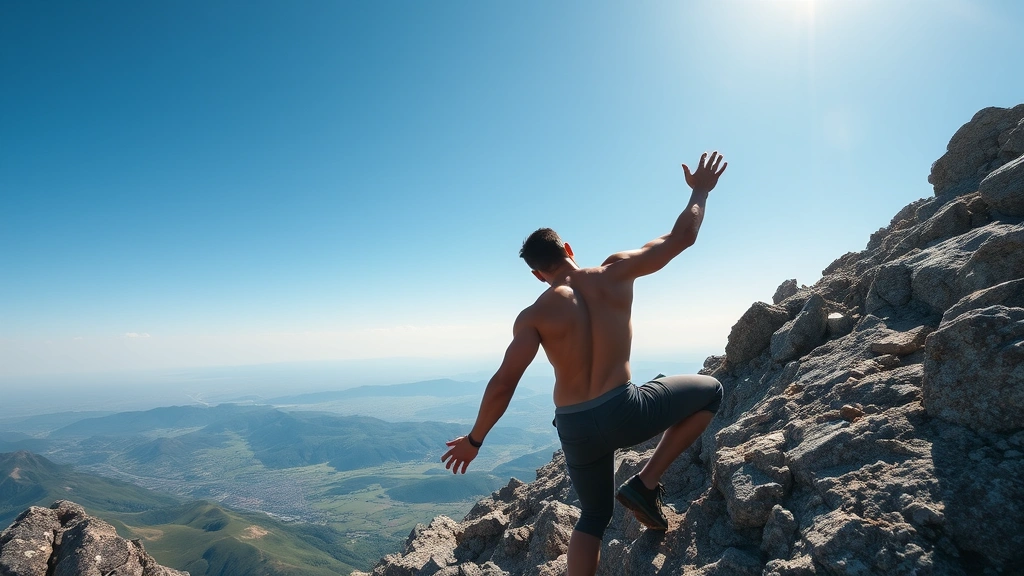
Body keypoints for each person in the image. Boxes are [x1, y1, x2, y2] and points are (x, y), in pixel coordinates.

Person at [441, 151, 728, 576]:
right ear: (569, 248)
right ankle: (646, 484)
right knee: (711, 392)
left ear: (538, 274)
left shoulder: (534, 314)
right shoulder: (615, 272)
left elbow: (503, 383)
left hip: (575, 427)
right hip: (626, 411)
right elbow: (681, 238)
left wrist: (475, 440)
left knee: (593, 517)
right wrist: (700, 190)